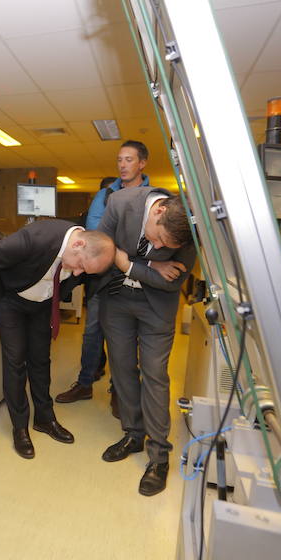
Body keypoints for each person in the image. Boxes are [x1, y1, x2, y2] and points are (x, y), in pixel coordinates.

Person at [0, 221, 115, 459]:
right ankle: (19, 427)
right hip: (12, 301)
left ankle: (44, 418)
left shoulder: (83, 258)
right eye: (81, 265)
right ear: (78, 243)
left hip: (43, 304)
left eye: (85, 272)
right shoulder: (35, 238)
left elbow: (80, 275)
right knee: (15, 362)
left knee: (41, 361)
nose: (78, 274)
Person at [95, 186, 195, 496]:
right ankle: (133, 434)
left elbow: (172, 281)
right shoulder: (121, 202)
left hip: (157, 308)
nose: (159, 246)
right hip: (116, 300)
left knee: (155, 376)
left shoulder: (190, 226)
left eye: (166, 246)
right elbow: (101, 250)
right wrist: (149, 265)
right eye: (159, 237)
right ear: (159, 210)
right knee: (122, 368)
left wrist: (128, 263)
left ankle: (159, 457)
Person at [55, 141, 152, 410]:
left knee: (126, 335)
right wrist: (128, 243)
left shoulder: (152, 196)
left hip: (134, 278)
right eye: (119, 159)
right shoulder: (104, 195)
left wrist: (121, 242)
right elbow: (96, 236)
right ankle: (85, 383)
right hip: (102, 276)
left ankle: (119, 391)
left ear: (142, 163)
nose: (122, 165)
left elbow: (151, 237)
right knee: (93, 331)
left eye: (129, 160)